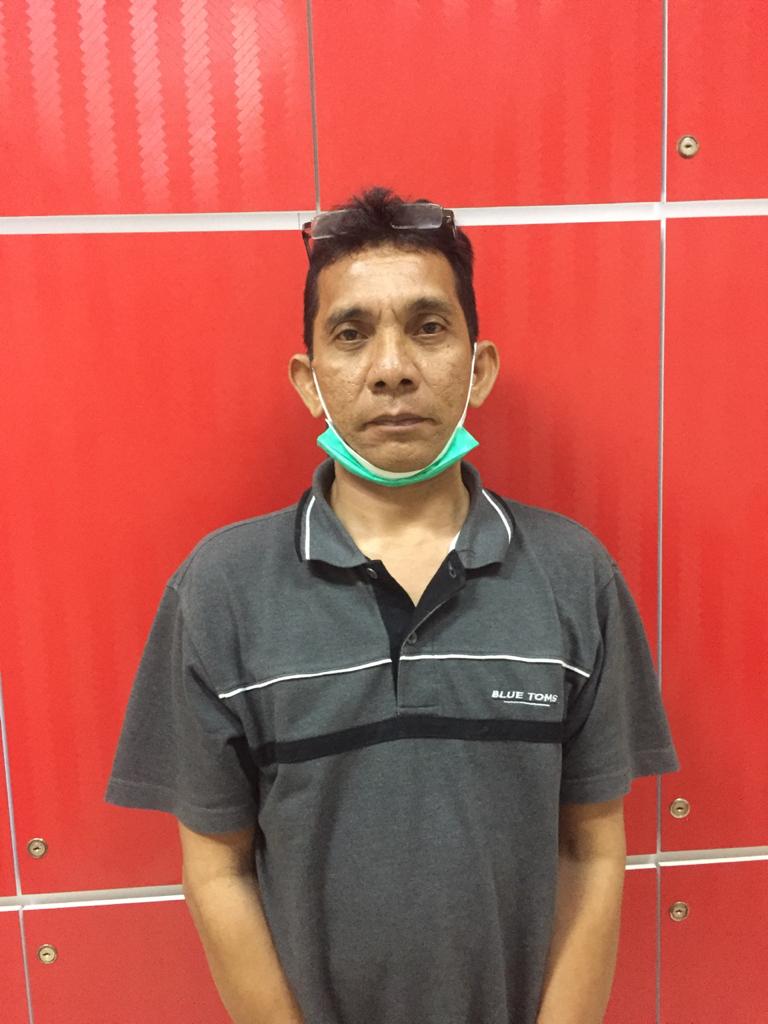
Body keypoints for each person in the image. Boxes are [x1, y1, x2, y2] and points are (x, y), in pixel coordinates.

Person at [105, 185, 681, 1024]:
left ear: (479, 368)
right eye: (351, 334)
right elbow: (216, 869)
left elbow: (590, 850)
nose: (392, 368)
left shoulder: (573, 576)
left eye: (428, 327)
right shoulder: (221, 591)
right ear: (309, 381)